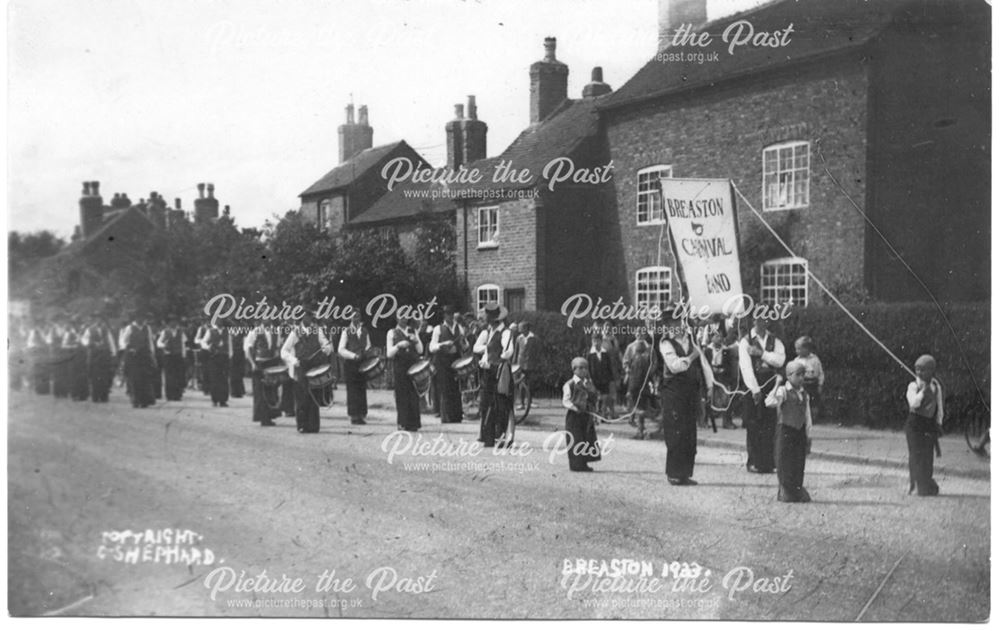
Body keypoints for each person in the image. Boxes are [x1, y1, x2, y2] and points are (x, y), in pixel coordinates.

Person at [659, 317, 714, 485]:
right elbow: (676, 366)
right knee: (676, 432)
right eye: (672, 323)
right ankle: (674, 473)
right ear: (667, 326)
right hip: (674, 392)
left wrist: (710, 385)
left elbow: (703, 364)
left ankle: (685, 474)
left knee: (689, 433)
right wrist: (691, 357)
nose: (676, 326)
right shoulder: (666, 343)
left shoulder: (691, 340)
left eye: (678, 322)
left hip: (690, 392)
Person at [738, 316, 786, 473]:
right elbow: (745, 366)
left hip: (771, 385)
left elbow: (779, 361)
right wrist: (754, 389)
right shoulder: (746, 341)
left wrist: (761, 353)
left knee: (769, 423)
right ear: (753, 321)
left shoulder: (774, 340)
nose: (762, 322)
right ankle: (754, 461)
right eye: (759, 319)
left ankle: (768, 462)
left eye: (765, 319)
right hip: (754, 384)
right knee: (753, 423)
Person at [766, 360, 813, 503]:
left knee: (798, 461)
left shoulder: (804, 394)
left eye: (803, 375)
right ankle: (785, 489)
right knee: (784, 461)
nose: (801, 378)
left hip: (799, 431)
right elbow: (769, 402)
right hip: (785, 430)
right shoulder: (783, 391)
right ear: (788, 376)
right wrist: (776, 385)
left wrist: (808, 435)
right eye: (798, 375)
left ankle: (797, 488)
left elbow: (807, 416)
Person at [281, 312, 333, 433]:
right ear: (302, 318)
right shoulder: (295, 332)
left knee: (314, 395)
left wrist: (326, 348)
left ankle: (314, 425)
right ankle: (302, 425)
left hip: (314, 367)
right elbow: (284, 351)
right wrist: (294, 361)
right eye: (307, 316)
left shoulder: (317, 331)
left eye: (310, 317)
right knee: (302, 396)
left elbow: (327, 346)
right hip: (301, 367)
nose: (310, 319)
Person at [473, 304, 515, 447]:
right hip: (488, 372)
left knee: (501, 404)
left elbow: (508, 352)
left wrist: (498, 358)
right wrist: (486, 356)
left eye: (488, 318)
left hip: (500, 371)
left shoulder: (505, 332)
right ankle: (488, 437)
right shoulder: (489, 331)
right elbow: (482, 349)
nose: (486, 320)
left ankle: (501, 437)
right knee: (486, 403)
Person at [905, 355, 944, 496]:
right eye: (917, 369)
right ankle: (913, 483)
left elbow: (939, 407)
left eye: (923, 370)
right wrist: (922, 392)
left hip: (928, 425)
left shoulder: (936, 386)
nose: (919, 373)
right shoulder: (913, 386)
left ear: (932, 371)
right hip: (914, 424)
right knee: (915, 454)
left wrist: (939, 423)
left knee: (927, 456)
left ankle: (925, 483)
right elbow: (913, 404)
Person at [561, 357, 601, 472]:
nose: (584, 371)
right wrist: (574, 408)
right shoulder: (570, 384)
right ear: (574, 370)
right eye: (581, 368)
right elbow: (566, 400)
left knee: (586, 438)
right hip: (574, 416)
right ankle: (575, 464)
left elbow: (593, 396)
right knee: (576, 439)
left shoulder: (588, 383)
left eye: (586, 368)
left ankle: (584, 463)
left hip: (586, 414)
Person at [387, 316, 423, 431]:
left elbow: (420, 350)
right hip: (400, 366)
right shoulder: (392, 332)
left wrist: (416, 340)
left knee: (413, 393)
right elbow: (389, 354)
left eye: (405, 317)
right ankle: (402, 422)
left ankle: (413, 423)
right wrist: (398, 346)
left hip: (412, 365)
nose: (403, 319)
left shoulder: (413, 331)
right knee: (401, 394)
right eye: (401, 317)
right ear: (396, 318)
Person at [430, 306, 465, 424]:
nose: (450, 316)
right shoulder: (438, 329)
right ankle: (447, 416)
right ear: (444, 316)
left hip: (455, 360)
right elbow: (432, 347)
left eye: (451, 314)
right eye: (447, 314)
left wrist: (463, 343)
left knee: (455, 388)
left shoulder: (459, 328)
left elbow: (465, 346)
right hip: (442, 361)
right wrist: (443, 344)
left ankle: (457, 415)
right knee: (445, 388)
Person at [338, 310, 373, 425]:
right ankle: (353, 415)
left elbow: (368, 345)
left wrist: (366, 352)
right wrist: (353, 356)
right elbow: (341, 349)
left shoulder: (364, 331)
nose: (356, 319)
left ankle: (362, 414)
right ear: (350, 318)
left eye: (358, 316)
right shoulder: (346, 331)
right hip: (351, 363)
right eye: (354, 317)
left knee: (361, 388)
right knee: (352, 389)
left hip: (362, 362)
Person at [245, 318, 282, 426]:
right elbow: (248, 348)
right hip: (259, 364)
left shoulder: (276, 331)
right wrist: (252, 363)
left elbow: (278, 347)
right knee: (260, 392)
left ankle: (269, 416)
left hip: (272, 363)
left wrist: (278, 362)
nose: (267, 319)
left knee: (271, 390)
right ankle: (263, 417)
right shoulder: (255, 332)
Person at [119, 312, 157, 408]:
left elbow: (150, 341)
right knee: (134, 378)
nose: (141, 320)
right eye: (139, 318)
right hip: (133, 356)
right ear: (135, 318)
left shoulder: (147, 328)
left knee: (145, 378)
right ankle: (136, 400)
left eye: (142, 318)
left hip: (144, 356)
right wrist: (128, 348)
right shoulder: (129, 328)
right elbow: (123, 340)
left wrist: (152, 353)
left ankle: (144, 400)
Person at [625, 338, 658, 440]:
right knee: (640, 409)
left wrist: (630, 390)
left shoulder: (637, 361)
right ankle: (641, 431)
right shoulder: (645, 360)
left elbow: (635, 377)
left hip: (637, 389)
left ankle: (654, 417)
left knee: (637, 409)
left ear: (637, 350)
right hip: (644, 388)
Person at [82, 315, 117, 402]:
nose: (99, 321)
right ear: (95, 320)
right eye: (97, 319)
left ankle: (104, 396)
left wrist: (113, 352)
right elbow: (84, 340)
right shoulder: (90, 329)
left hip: (104, 356)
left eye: (100, 319)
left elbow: (110, 341)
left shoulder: (106, 329)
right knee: (95, 377)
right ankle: (96, 396)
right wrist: (91, 343)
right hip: (94, 356)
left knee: (104, 377)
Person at [705, 332, 736, 429]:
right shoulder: (707, 350)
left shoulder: (726, 350)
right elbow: (704, 364)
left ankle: (727, 421)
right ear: (711, 338)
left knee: (726, 398)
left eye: (720, 336)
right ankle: (704, 420)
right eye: (716, 336)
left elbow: (729, 365)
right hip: (711, 375)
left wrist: (723, 369)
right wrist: (711, 369)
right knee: (709, 397)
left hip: (723, 376)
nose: (719, 338)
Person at [199, 319, 232, 407]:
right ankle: (215, 399)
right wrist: (208, 347)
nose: (219, 322)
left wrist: (230, 356)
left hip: (224, 357)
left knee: (224, 379)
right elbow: (203, 342)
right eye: (217, 320)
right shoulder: (210, 331)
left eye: (221, 320)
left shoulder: (227, 331)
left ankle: (223, 400)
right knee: (214, 378)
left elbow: (230, 344)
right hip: (214, 357)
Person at [156, 317, 187, 401]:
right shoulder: (165, 332)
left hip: (178, 355)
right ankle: (169, 395)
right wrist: (164, 346)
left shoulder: (181, 332)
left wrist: (183, 355)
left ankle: (177, 395)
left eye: (175, 322)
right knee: (169, 376)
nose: (173, 324)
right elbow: (159, 343)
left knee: (178, 375)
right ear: (169, 324)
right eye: (171, 322)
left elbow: (183, 344)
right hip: (168, 356)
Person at [794, 336, 824, 420]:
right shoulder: (796, 360)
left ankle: (813, 418)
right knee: (801, 400)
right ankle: (802, 417)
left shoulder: (814, 359)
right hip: (802, 383)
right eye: (796, 349)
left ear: (807, 349)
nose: (797, 351)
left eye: (799, 349)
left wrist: (820, 384)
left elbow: (820, 373)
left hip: (813, 383)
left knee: (814, 401)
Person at [587, 332, 614, 420]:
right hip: (594, 380)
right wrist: (589, 379)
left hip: (604, 380)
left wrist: (611, 379)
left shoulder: (605, 354)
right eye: (594, 340)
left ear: (601, 341)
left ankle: (603, 415)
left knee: (605, 398)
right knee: (595, 398)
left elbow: (609, 367)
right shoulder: (589, 355)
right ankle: (595, 417)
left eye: (597, 340)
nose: (595, 343)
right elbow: (588, 368)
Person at [515, 322, 541, 410]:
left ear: (526, 328)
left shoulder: (534, 338)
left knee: (530, 383)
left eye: (520, 327)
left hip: (531, 364)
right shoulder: (519, 338)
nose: (519, 329)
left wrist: (537, 363)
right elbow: (516, 352)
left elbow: (538, 352)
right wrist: (515, 364)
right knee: (521, 384)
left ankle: (530, 402)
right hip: (520, 364)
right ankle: (522, 403)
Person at [230, 328, 247, 399]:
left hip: (240, 355)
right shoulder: (230, 334)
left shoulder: (242, 335)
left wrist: (245, 356)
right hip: (233, 356)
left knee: (239, 374)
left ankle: (239, 391)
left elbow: (244, 346)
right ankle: (233, 391)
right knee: (233, 374)